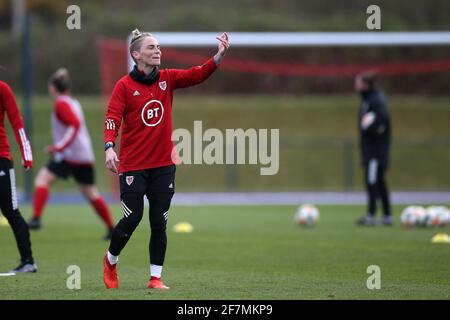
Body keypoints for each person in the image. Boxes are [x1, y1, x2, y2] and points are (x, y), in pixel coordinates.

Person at [102, 29, 229, 289]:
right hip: (133, 166)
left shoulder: (167, 79)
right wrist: (109, 147)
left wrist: (217, 58)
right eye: (151, 47)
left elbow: (196, 75)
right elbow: (113, 118)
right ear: (136, 54)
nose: (157, 50)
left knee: (159, 222)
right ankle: (111, 260)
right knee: (132, 218)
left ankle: (155, 277)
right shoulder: (123, 86)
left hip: (163, 166)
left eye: (158, 46)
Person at [27, 68, 115, 239]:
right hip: (84, 155)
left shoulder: (61, 103)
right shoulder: (72, 101)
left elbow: (73, 124)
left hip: (69, 155)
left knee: (42, 180)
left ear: (53, 87)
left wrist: (59, 147)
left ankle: (36, 218)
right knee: (90, 192)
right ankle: (112, 228)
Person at [0, 80, 37, 273]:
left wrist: (27, 154)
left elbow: (17, 122)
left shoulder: (2, 88)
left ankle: (28, 261)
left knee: (10, 211)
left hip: (1, 160)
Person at [354, 71, 392, 226]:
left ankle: (371, 214)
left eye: (358, 82)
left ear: (365, 84)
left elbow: (381, 122)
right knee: (379, 181)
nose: (355, 85)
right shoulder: (368, 100)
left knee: (372, 181)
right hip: (372, 150)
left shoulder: (376, 101)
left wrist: (369, 126)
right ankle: (387, 215)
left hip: (375, 152)